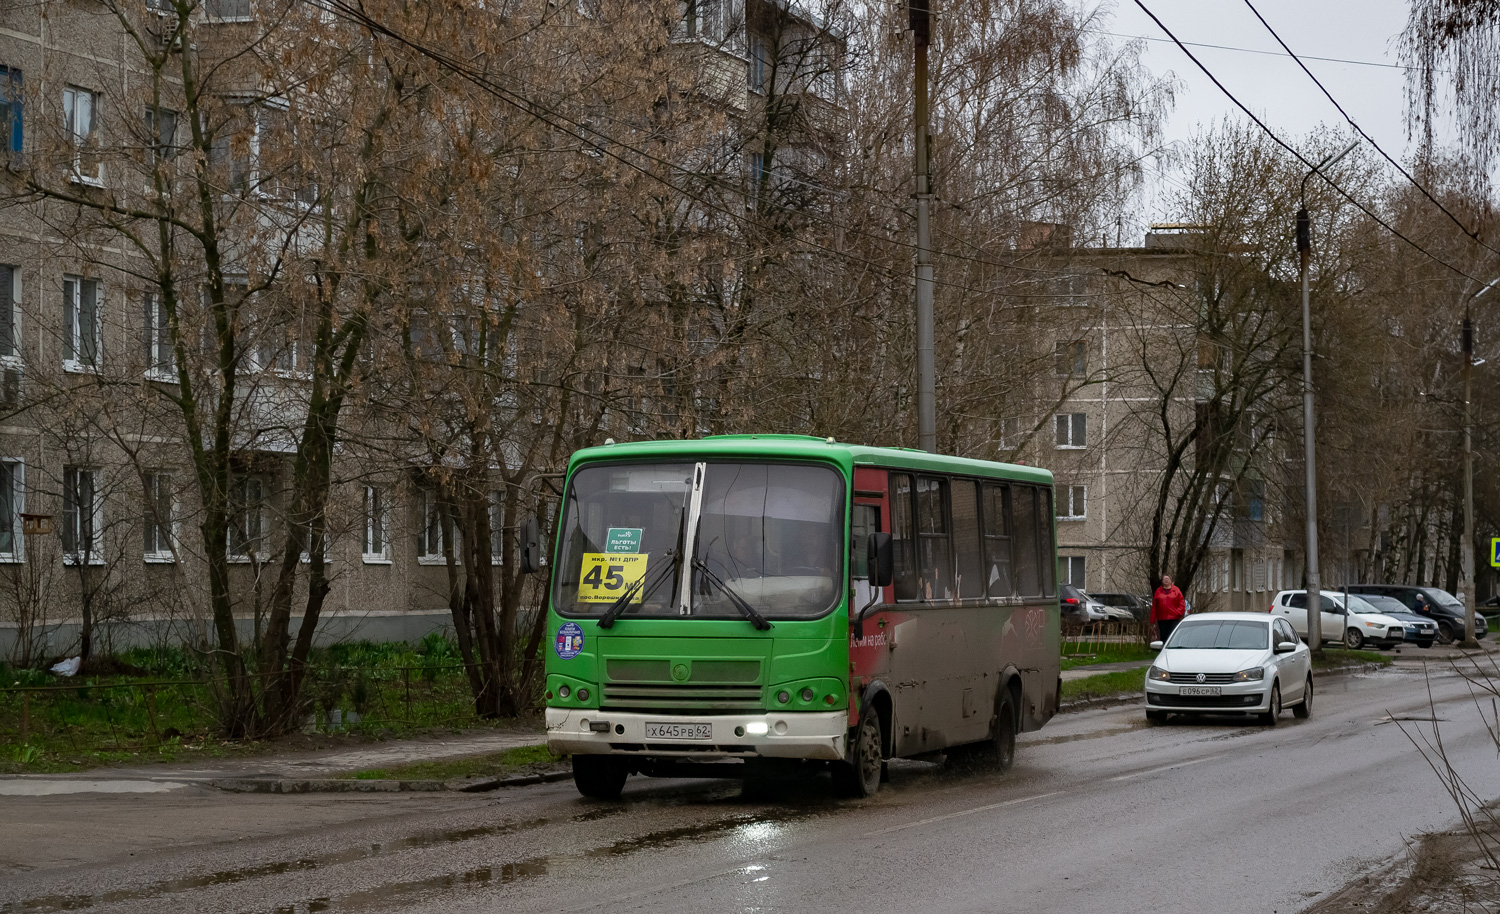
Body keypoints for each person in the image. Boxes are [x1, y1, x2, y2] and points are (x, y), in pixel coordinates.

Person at [1149, 574, 1187, 643]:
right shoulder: (1158, 591)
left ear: (1171, 581)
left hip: (1174, 618)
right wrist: (1152, 620)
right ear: (1162, 581)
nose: (1166, 580)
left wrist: (1178, 613)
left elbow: (1181, 604)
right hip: (1162, 619)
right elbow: (1154, 606)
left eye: (1168, 579)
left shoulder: (1176, 590)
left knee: (1172, 636)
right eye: (1164, 579)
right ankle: (1164, 650)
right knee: (1163, 636)